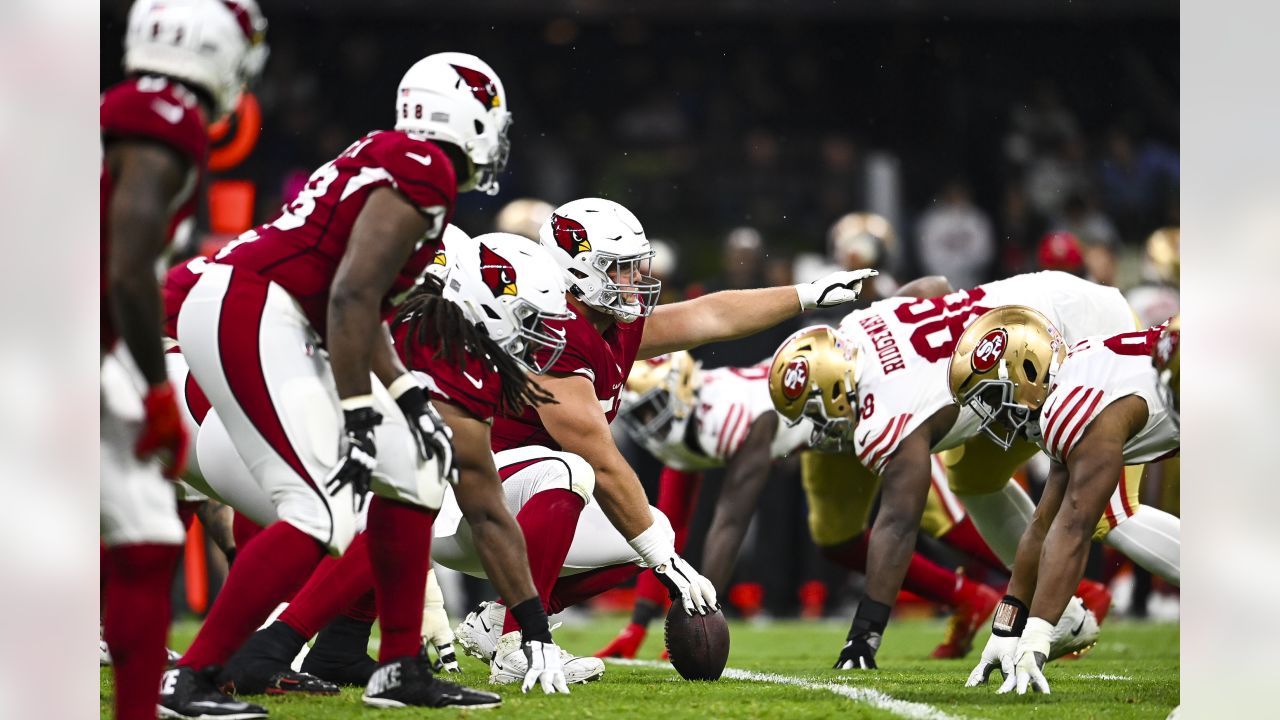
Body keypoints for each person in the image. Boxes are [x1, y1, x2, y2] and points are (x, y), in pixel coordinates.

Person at [167, 52, 514, 714]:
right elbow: (351, 297)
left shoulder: (398, 160)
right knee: (319, 510)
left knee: (417, 464)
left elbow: (359, 301)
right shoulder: (426, 168)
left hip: (264, 307)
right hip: (255, 306)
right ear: (464, 112)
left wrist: (407, 397)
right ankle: (195, 676)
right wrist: (358, 411)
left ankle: (400, 666)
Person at [451, 197, 877, 665]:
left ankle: (500, 620)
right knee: (580, 477)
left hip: (522, 498)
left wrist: (807, 294)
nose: (636, 280)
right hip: (468, 503)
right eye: (620, 269)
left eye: (637, 266)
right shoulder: (555, 332)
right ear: (576, 272)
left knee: (649, 527)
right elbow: (602, 461)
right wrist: (669, 566)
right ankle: (521, 646)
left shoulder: (613, 323)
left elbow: (712, 315)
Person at [211, 232, 577, 696]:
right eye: (530, 319)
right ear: (480, 298)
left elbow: (485, 508)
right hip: (243, 421)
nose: (544, 338)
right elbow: (483, 509)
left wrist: (534, 629)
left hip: (250, 420)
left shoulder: (447, 341)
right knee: (398, 495)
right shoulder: (427, 339)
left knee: (405, 493)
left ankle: (344, 653)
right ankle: (259, 649)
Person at [767, 271, 1180, 670]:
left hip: (1072, 332)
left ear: (838, 389)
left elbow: (897, 524)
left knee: (1109, 514)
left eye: (815, 414)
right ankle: (1064, 617)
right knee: (974, 480)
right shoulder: (857, 326)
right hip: (1026, 335)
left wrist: (865, 634)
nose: (819, 430)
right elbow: (935, 287)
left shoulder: (886, 417)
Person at [594, 350, 1007, 661]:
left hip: (861, 405)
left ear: (682, 392)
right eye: (639, 414)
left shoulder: (735, 412)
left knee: (943, 519)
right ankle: (969, 598)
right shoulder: (682, 429)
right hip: (821, 435)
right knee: (836, 539)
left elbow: (731, 521)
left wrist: (701, 617)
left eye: (651, 408)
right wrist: (636, 626)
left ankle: (1058, 593)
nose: (647, 423)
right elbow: (663, 529)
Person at [100, 1, 265, 718]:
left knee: (145, 527)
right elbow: (128, 261)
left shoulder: (126, 103)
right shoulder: (163, 113)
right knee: (140, 528)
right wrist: (151, 385)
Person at [949, 308, 1180, 695]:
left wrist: (1038, 638)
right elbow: (1043, 524)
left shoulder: (1073, 410)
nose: (993, 418)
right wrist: (1008, 628)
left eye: (992, 397)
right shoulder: (1070, 388)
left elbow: (1074, 529)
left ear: (1030, 372)